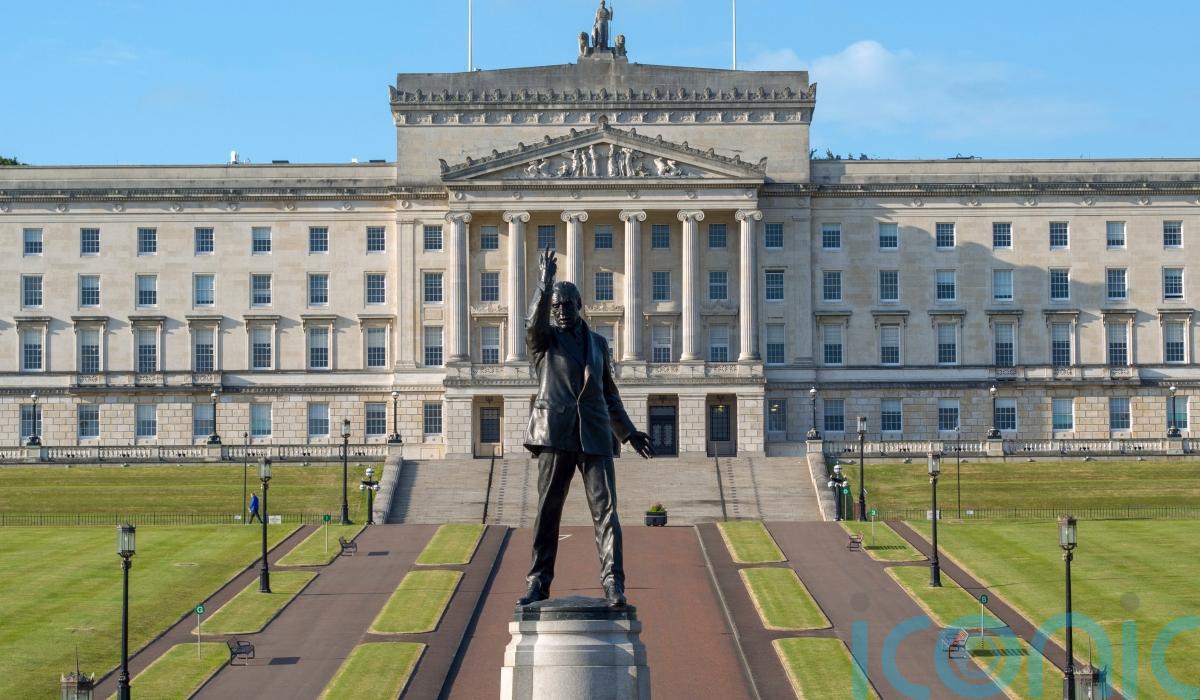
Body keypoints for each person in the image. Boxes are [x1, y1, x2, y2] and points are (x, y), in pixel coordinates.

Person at [519, 248, 654, 609]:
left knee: (606, 511)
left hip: (594, 434)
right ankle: (538, 583)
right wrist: (545, 283)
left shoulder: (598, 343)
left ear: (580, 306)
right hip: (554, 432)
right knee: (548, 511)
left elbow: (608, 392)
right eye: (556, 306)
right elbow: (531, 323)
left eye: (567, 305)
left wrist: (628, 432)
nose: (561, 311)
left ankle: (613, 583)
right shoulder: (544, 341)